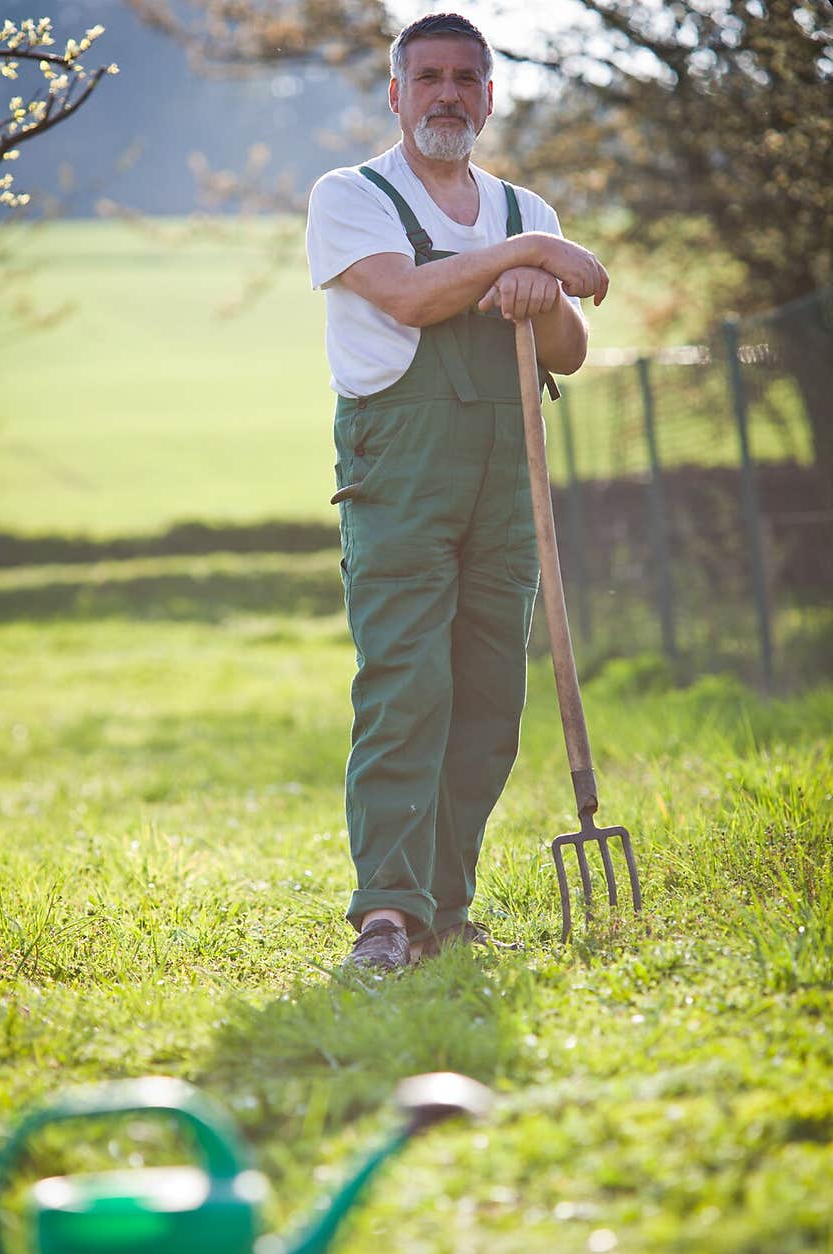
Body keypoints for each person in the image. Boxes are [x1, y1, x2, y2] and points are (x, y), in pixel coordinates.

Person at [305, 11, 608, 972]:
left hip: (506, 481)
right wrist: (525, 266)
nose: (447, 94)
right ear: (396, 93)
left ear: (488, 93)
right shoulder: (350, 197)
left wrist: (541, 287)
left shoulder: (526, 213)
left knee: (487, 698)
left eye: (465, 78)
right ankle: (386, 916)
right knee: (406, 686)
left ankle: (445, 906)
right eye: (427, 76)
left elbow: (573, 346)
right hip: (400, 475)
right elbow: (406, 296)